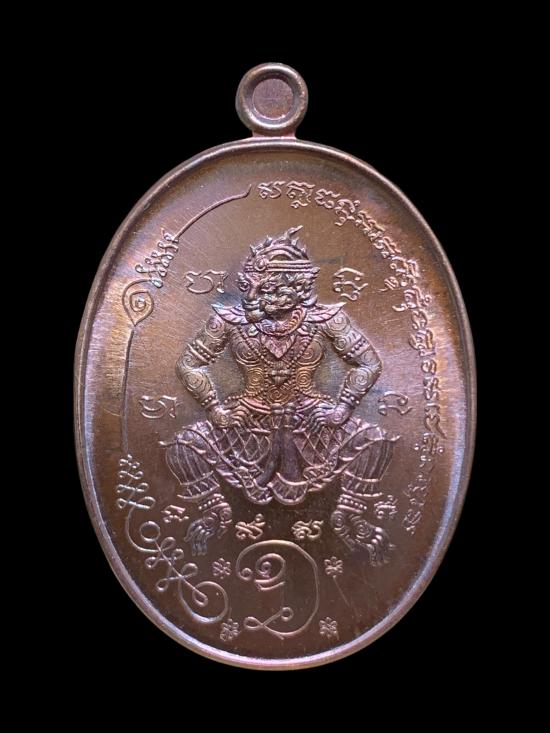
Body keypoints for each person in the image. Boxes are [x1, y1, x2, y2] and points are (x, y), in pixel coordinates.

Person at [162, 227, 397, 563]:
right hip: (247, 419)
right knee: (183, 446)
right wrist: (216, 410)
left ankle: (349, 513)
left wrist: (342, 409)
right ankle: (214, 511)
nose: (262, 297)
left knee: (376, 441)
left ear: (298, 287)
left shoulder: (327, 320)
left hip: (312, 418)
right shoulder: (228, 322)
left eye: (273, 289)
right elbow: (188, 365)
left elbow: (369, 363)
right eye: (257, 288)